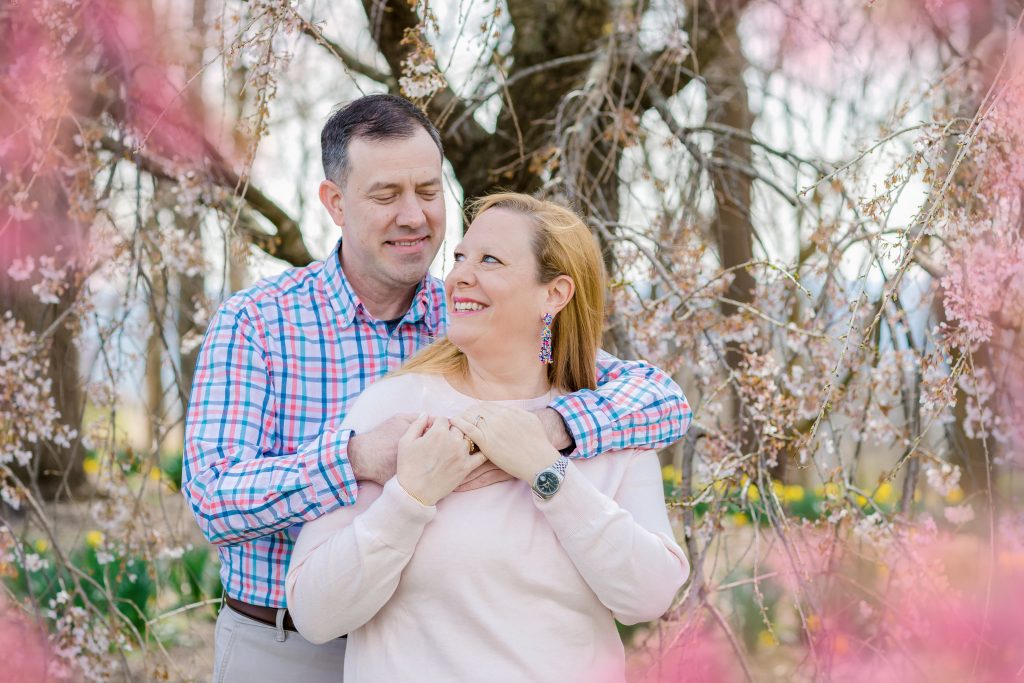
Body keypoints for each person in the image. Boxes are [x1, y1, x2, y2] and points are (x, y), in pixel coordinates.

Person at [182, 95, 692, 682]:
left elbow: (659, 399)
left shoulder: (466, 317)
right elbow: (212, 496)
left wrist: (546, 438)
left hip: (408, 642)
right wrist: (356, 459)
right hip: (284, 642)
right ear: (335, 203)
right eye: (385, 195)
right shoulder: (259, 323)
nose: (414, 215)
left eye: (427, 191)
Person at [286, 193, 690, 683]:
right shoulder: (394, 409)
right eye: (459, 257)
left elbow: (648, 597)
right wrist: (409, 500)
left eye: (490, 260)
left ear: (555, 294)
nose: (459, 275)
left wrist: (549, 474)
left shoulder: (608, 424)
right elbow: (314, 614)